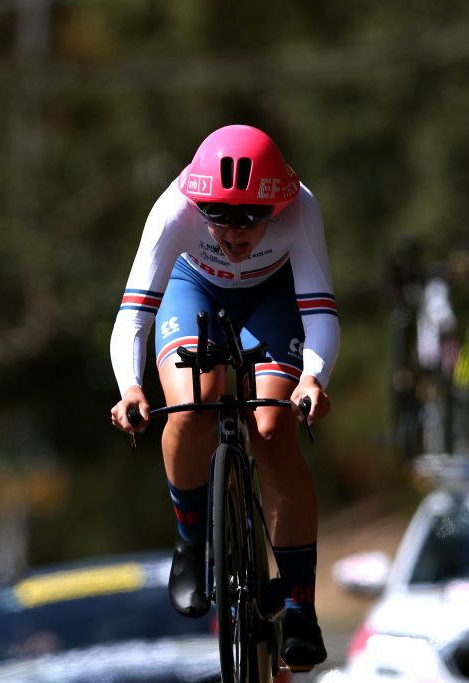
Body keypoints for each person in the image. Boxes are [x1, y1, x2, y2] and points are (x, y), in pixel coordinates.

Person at [109, 124, 339, 669]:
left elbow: (320, 310)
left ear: (277, 205)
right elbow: (133, 314)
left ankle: (301, 607)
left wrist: (313, 379)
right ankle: (191, 538)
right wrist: (130, 388)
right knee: (192, 407)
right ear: (196, 202)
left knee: (272, 427)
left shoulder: (302, 207)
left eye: (251, 218)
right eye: (219, 214)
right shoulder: (173, 210)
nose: (235, 232)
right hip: (195, 291)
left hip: (273, 297)